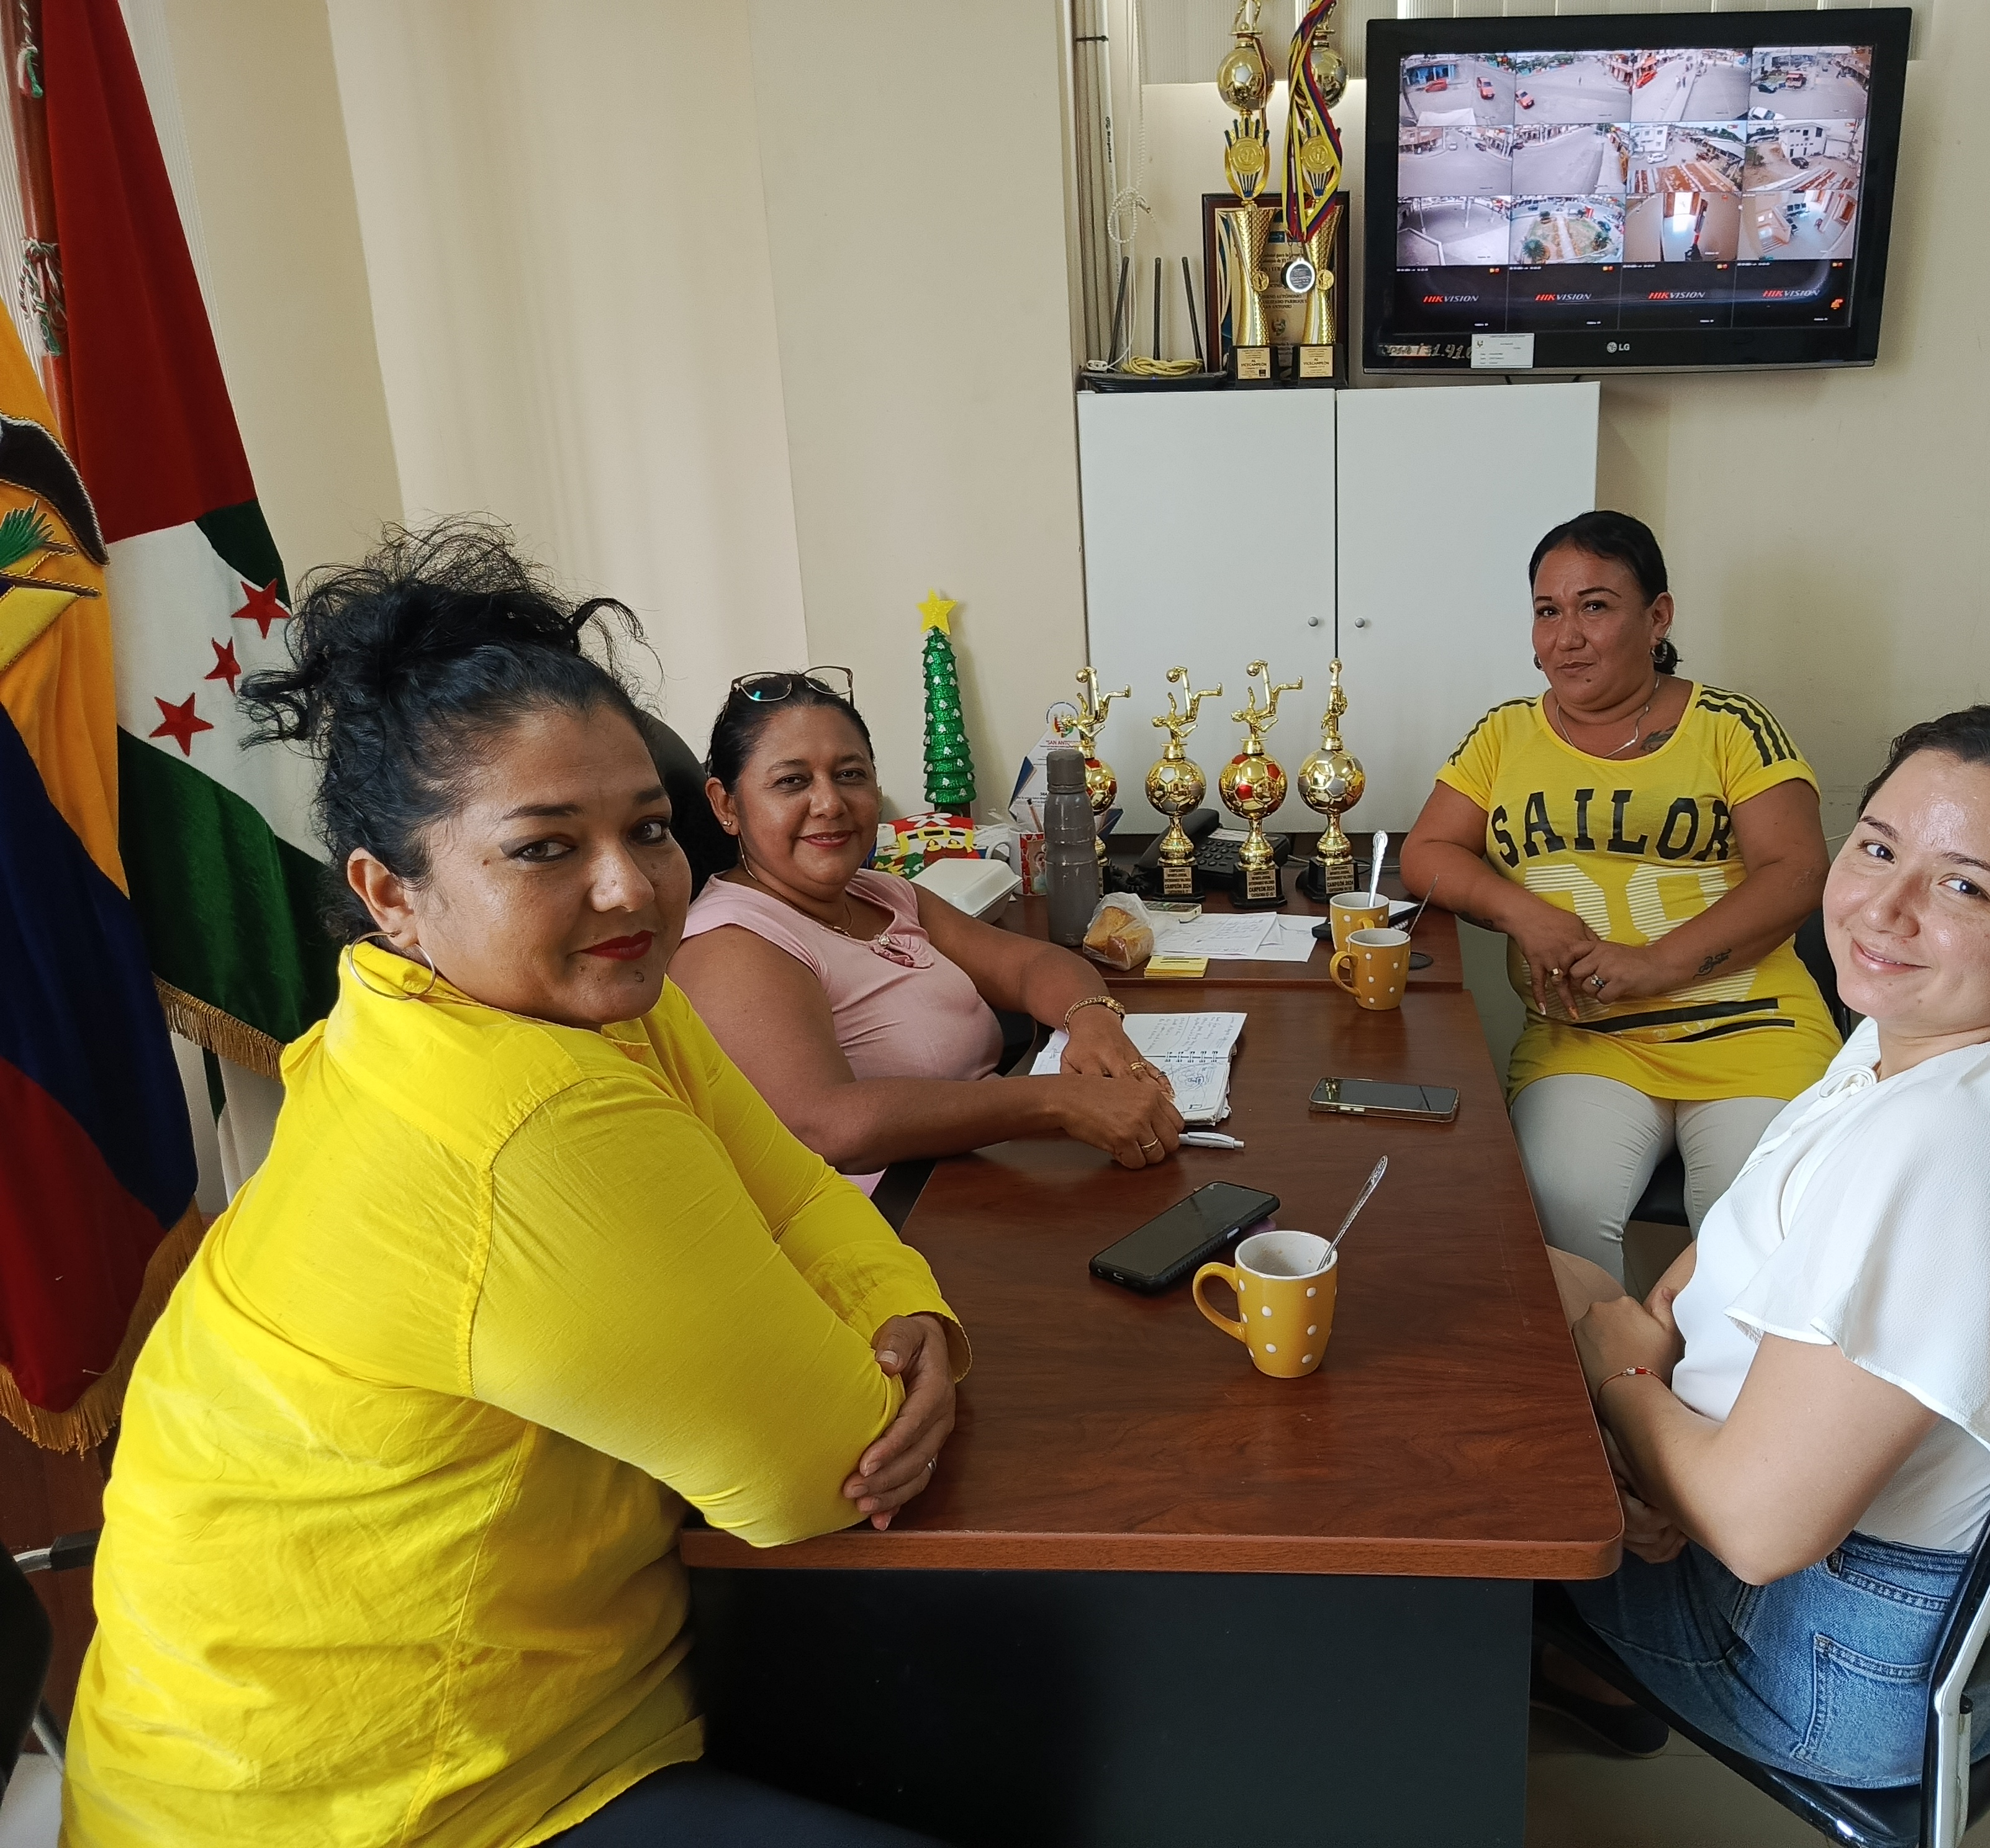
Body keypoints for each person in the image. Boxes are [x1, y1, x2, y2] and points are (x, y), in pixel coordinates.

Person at [64, 523, 957, 1847]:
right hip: (366, 1804)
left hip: (528, 1706)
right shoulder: (515, 1121)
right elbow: (820, 1470)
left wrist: (901, 1304)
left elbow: (799, 1188)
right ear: (391, 894)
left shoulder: (566, 998)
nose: (630, 886)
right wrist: (885, 1342)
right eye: (544, 848)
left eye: (647, 828)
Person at [1538, 705, 1990, 1785]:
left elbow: (1756, 1529)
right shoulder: (1980, 1031)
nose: (1882, 910)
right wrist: (1642, 1403)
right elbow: (1740, 1229)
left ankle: (1524, 1663)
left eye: (1964, 886)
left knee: (1450, 1416)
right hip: (1918, 1605)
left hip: (1826, 1661)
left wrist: (1624, 1385)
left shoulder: (1952, 1143)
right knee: (1532, 1286)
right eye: (1878, 848)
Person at [1399, 509, 1840, 1275]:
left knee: (1755, 1237)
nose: (1566, 637)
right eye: (1547, 612)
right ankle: (1612, 1357)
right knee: (1554, 1214)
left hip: (1753, 1035)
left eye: (1594, 606)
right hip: (1584, 1040)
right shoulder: (1503, 735)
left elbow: (1797, 871)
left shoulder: (1730, 726)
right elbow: (1425, 852)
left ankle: (1692, 1359)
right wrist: (1522, 913)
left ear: (1656, 617)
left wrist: (1655, 965)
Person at [667, 673, 1185, 1177]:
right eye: (792, 782)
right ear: (726, 805)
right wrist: (1057, 1101)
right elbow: (828, 1127)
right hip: (898, 1211)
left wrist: (1093, 1021)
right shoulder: (729, 945)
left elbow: (1031, 965)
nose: (830, 804)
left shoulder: (881, 892)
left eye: (850, 775)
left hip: (985, 1172)